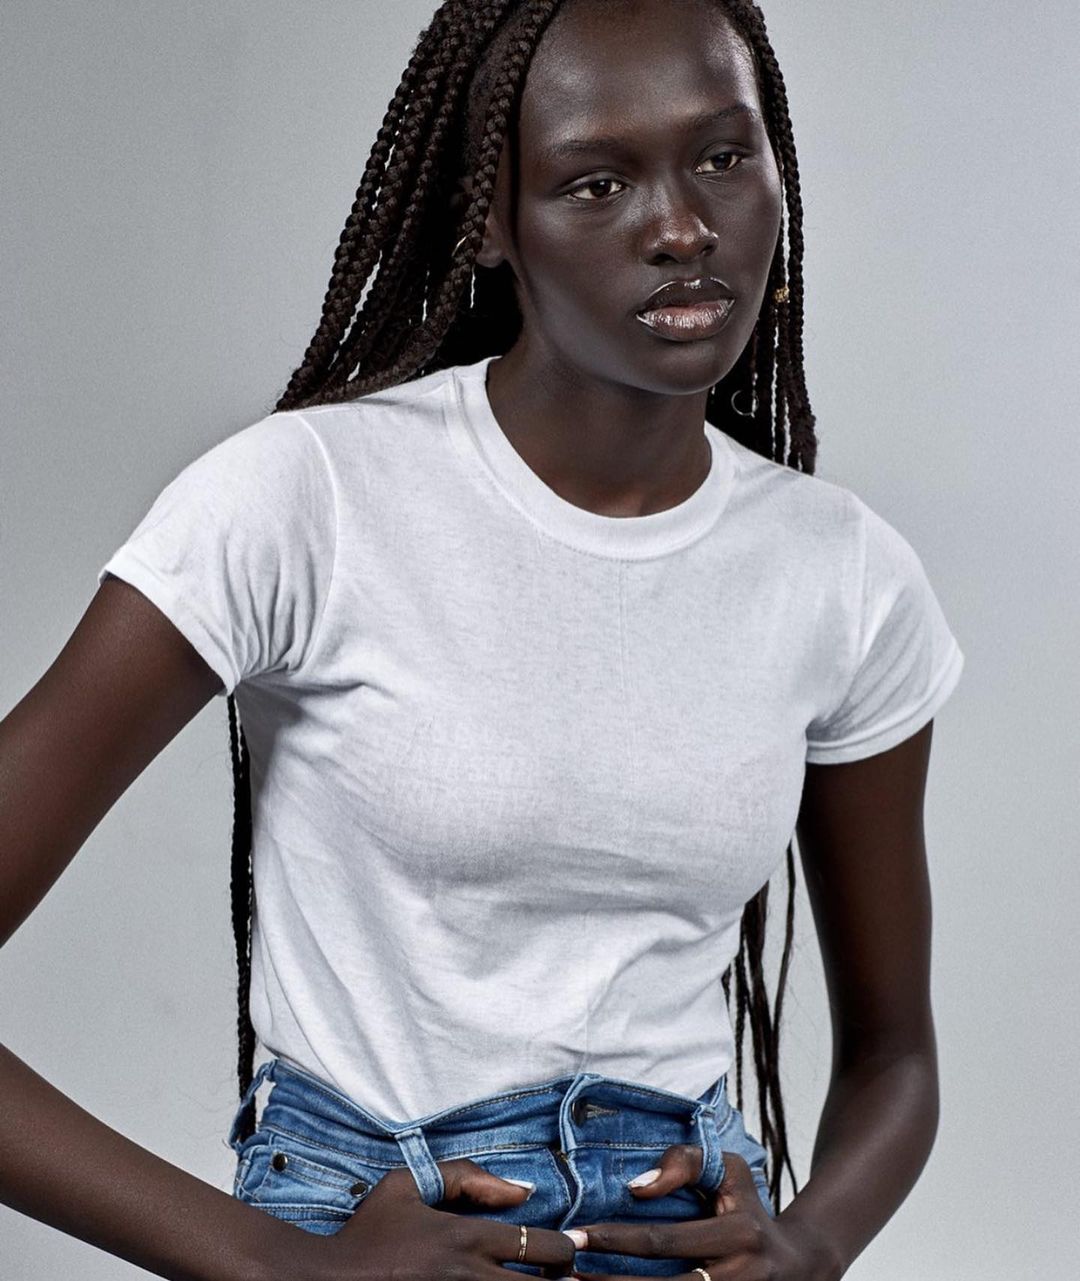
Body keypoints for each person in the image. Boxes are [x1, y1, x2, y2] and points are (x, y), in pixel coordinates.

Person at [0, 1, 966, 1279]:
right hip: (366, 1230)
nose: (682, 226)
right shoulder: (305, 500)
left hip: (679, 1237)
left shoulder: (844, 575)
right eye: (597, 181)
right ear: (493, 223)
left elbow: (897, 1056)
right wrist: (284, 1270)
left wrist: (815, 1243)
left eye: (725, 157)